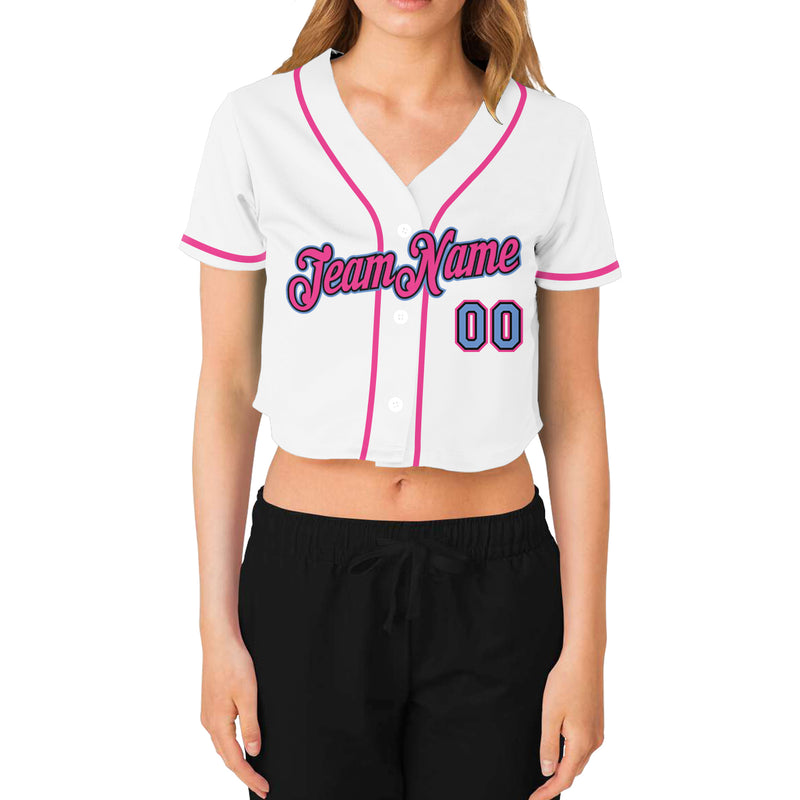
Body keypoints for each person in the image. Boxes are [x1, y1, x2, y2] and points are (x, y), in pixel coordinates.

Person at [179, 1, 620, 798]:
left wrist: (586, 647)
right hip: (306, 583)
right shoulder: (257, 125)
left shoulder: (552, 137)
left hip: (498, 588)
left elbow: (575, 406)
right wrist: (216, 629)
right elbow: (227, 388)